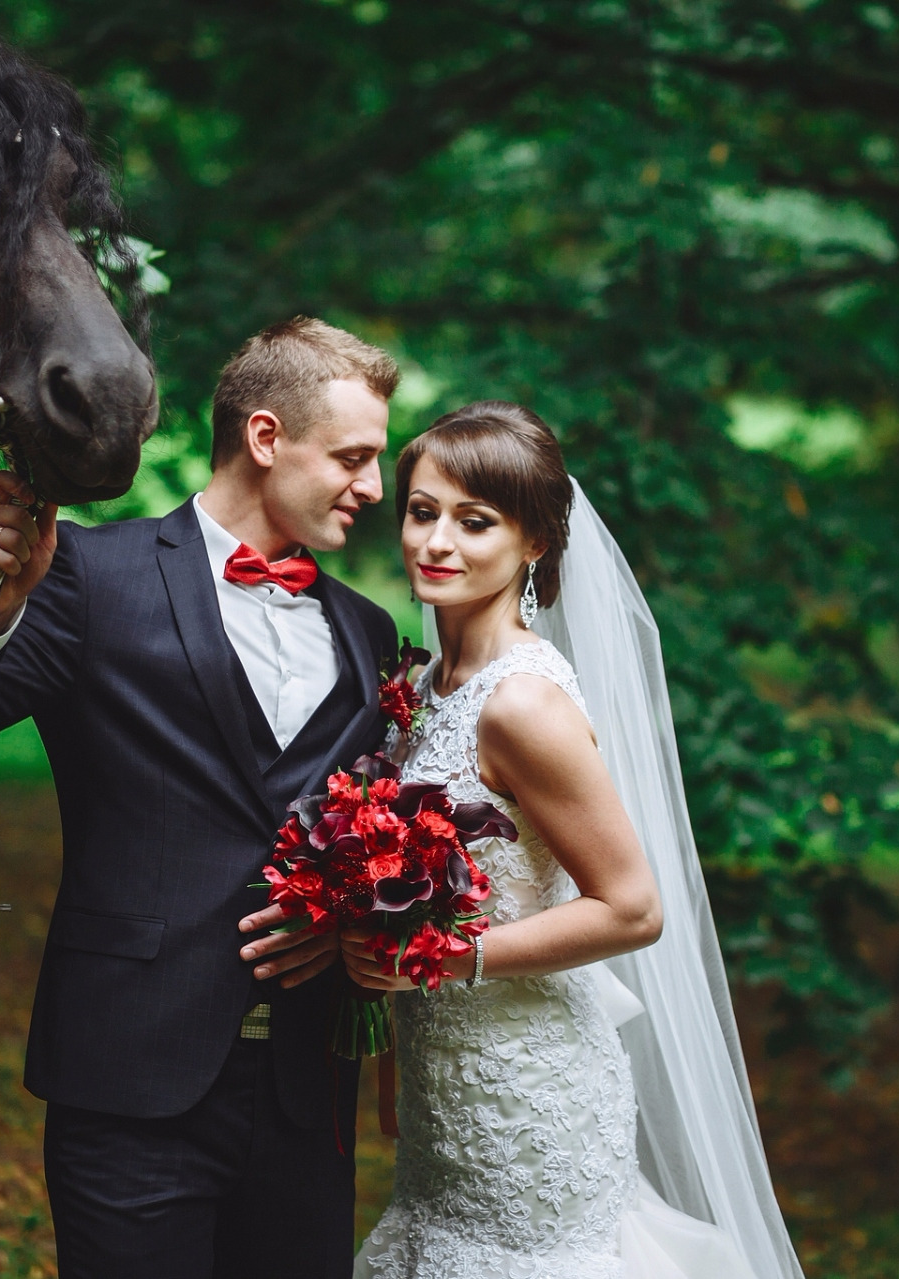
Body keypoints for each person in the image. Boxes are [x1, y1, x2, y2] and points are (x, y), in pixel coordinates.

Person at [0, 317, 400, 1278]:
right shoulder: (84, 571)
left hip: (305, 1099)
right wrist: (2, 601)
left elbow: (384, 844)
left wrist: (357, 924)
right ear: (267, 437)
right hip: (129, 1083)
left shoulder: (371, 635)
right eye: (356, 457)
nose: (374, 486)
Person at [342, 402, 806, 1279]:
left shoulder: (521, 704)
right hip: (450, 1090)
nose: (436, 540)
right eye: (421, 510)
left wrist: (442, 959)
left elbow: (632, 908)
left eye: (474, 521)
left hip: (529, 1093)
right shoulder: (426, 684)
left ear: (535, 546)